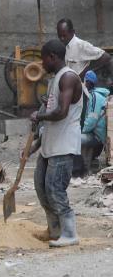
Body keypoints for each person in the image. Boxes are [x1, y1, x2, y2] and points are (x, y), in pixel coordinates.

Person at [30, 39, 82, 247]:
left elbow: (61, 113)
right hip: (50, 144)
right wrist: (36, 144)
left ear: (52, 57)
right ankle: (54, 230)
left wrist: (39, 117)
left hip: (63, 145)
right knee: (41, 187)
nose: (42, 64)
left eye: (43, 59)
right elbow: (54, 107)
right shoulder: (56, 79)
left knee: (55, 189)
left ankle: (70, 233)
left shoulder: (68, 78)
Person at [81, 70, 109, 175]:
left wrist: (82, 130)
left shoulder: (94, 97)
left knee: (78, 138)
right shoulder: (97, 95)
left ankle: (84, 170)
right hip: (100, 134)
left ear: (88, 82)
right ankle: (87, 167)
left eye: (84, 81)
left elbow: (92, 119)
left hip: (99, 136)